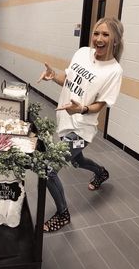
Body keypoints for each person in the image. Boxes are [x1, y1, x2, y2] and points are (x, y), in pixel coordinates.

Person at [37, 17, 124, 233]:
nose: (99, 39)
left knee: (48, 169)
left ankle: (63, 214)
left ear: (115, 40)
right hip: (66, 121)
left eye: (105, 35)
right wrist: (52, 76)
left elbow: (99, 105)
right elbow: (67, 79)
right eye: (96, 33)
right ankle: (101, 172)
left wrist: (82, 109)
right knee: (77, 161)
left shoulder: (114, 71)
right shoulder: (82, 52)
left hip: (81, 129)